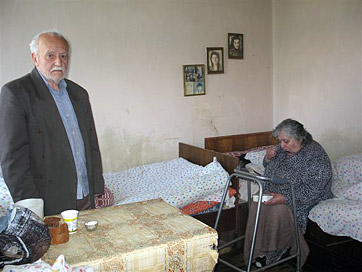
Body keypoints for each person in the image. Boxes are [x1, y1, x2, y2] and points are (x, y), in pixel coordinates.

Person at [0, 30, 104, 216]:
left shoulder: (79, 94)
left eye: (63, 56)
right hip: (47, 202)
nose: (59, 62)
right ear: (35, 58)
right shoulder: (16, 93)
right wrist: (31, 209)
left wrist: (97, 189)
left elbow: (92, 146)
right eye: (50, 55)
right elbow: (13, 160)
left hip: (85, 196)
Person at [243, 118, 333, 268]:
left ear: (300, 137)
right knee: (257, 203)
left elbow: (314, 188)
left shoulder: (315, 156)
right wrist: (267, 158)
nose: (282, 146)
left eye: (286, 141)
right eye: (280, 141)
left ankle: (273, 253)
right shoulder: (282, 149)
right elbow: (269, 167)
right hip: (276, 191)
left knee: (277, 210)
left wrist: (284, 198)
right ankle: (258, 249)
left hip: (301, 196)